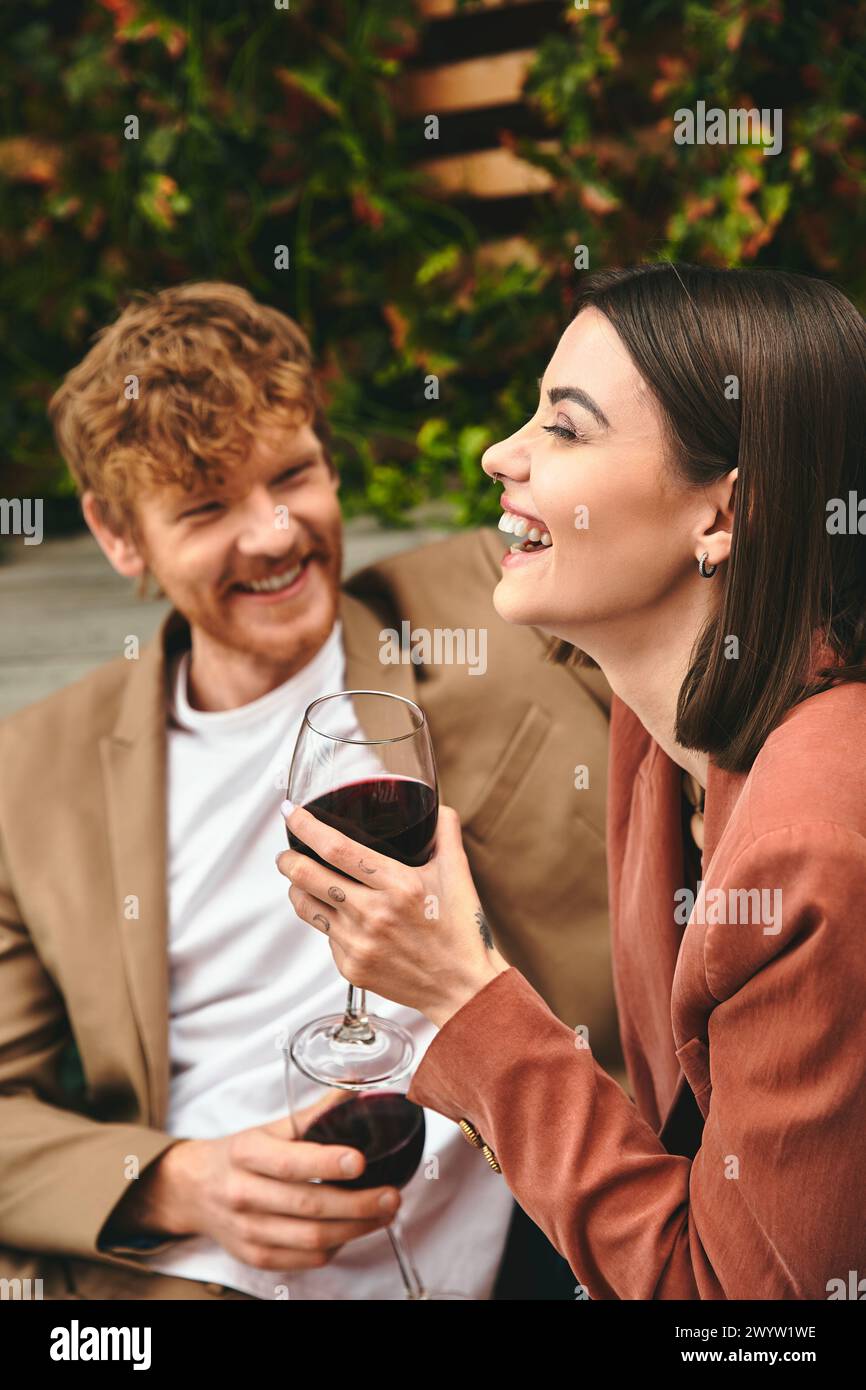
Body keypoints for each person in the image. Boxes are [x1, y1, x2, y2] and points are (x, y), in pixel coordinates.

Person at [0, 281, 620, 1302]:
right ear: (118, 536)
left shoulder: (499, 601)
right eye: (204, 507)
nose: (275, 533)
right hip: (205, 1281)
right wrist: (177, 1183)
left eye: (292, 474)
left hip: (533, 1247)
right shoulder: (33, 771)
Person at [277, 263, 866, 1300]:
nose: (498, 452)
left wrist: (457, 985)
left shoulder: (814, 845)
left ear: (725, 513)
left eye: (565, 426)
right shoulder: (654, 730)